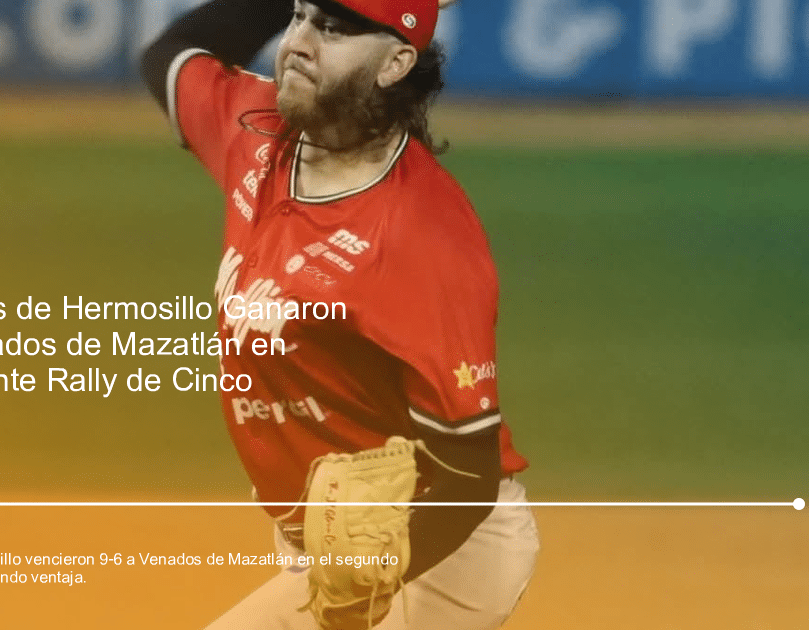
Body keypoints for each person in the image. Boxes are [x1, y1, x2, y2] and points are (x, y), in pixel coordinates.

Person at [141, 0, 539, 627]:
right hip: (331, 554)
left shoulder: (421, 237)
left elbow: (468, 471)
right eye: (298, 15)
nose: (299, 41)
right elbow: (172, 53)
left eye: (332, 28)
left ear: (396, 62)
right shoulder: (256, 129)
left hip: (436, 558)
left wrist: (362, 588)